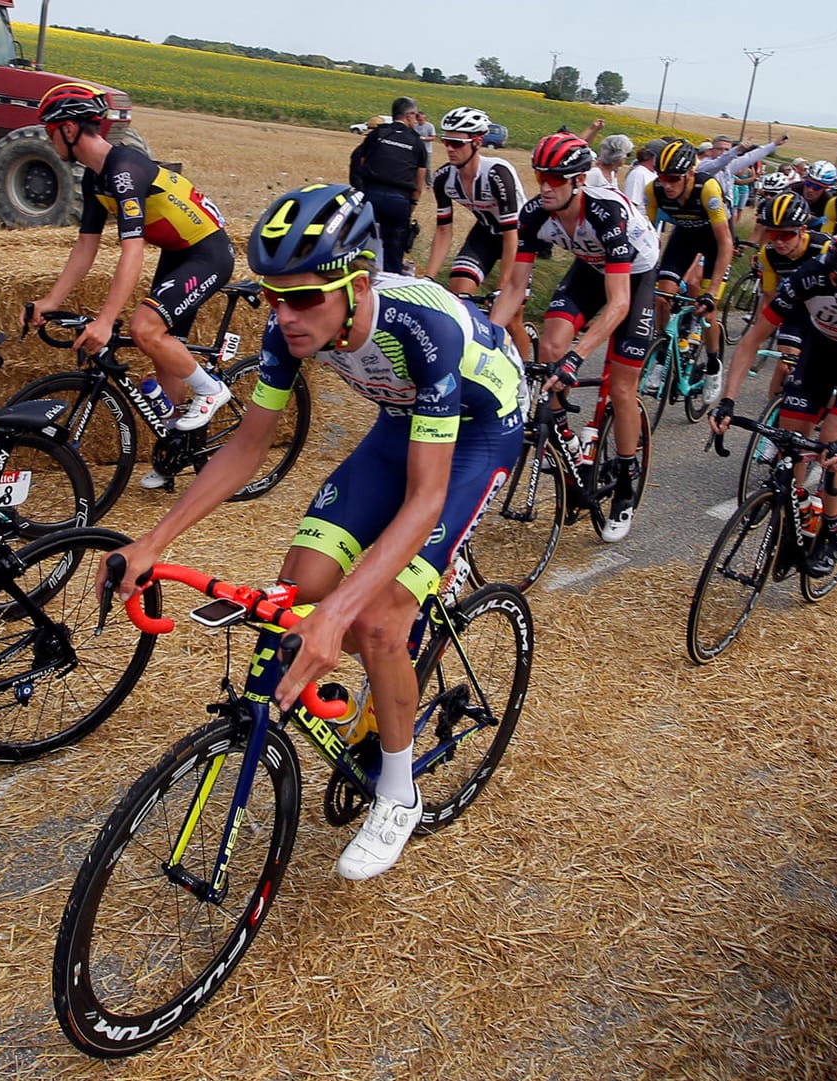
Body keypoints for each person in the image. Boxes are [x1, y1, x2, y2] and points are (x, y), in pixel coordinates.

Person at [107, 184, 524, 880]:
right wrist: (152, 541)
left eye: (304, 298)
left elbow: (425, 497)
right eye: (272, 296)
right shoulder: (287, 329)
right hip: (401, 424)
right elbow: (245, 447)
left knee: (380, 620)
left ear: (356, 287)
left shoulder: (426, 331)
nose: (285, 315)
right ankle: (361, 694)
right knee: (296, 588)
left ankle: (398, 791)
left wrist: (339, 616)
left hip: (482, 432)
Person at [27, 81, 236, 481]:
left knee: (144, 327)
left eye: (49, 131)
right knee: (163, 353)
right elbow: (86, 247)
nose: (48, 139)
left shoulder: (124, 169)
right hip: (178, 254)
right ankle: (175, 451)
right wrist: (50, 299)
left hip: (208, 252)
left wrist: (105, 321)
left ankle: (210, 390)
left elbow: (133, 251)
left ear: (69, 130)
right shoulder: (94, 179)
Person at [490, 133, 660, 542]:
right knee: (549, 345)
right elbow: (514, 289)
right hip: (589, 267)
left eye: (555, 178)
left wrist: (578, 358)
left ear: (578, 180)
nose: (545, 186)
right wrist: (486, 338)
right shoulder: (535, 214)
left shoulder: (606, 213)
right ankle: (563, 435)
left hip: (635, 277)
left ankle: (624, 479)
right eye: (539, 175)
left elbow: (618, 305)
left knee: (621, 386)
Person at [712, 230, 837, 575]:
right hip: (820, 351)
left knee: (834, 440)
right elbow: (751, 341)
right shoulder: (808, 279)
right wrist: (727, 399)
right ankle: (798, 509)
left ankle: (831, 533)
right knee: (791, 438)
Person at [423, 107, 531, 359]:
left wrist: (504, 286)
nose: (449, 148)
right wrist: (428, 277)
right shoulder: (443, 178)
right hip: (484, 233)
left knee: (512, 316)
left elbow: (510, 233)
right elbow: (443, 229)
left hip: (520, 237)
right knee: (459, 292)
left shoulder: (497, 173)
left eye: (456, 143)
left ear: (477, 143)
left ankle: (527, 380)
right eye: (446, 141)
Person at [644, 140, 736, 373]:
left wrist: (712, 291)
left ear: (690, 174)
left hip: (715, 241)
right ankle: (664, 352)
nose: (666, 185)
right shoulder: (653, 190)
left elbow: (726, 243)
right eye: (662, 177)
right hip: (685, 237)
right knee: (662, 295)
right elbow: (647, 236)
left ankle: (714, 364)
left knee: (708, 309)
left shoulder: (707, 189)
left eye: (674, 179)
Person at [750, 192, 832, 399]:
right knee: (785, 365)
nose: (778, 242)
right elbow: (769, 297)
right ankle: (769, 424)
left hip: (829, 312)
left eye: (786, 235)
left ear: (802, 230)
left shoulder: (825, 249)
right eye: (772, 234)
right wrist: (757, 338)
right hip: (796, 310)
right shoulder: (767, 255)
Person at [349, 96, 429, 274]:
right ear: (409, 116)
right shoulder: (417, 142)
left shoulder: (378, 134)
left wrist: (360, 189)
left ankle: (358, 281)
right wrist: (413, 203)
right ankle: (389, 287)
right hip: (399, 200)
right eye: (415, 116)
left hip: (370, 195)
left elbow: (359, 161)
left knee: (360, 247)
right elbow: (420, 179)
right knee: (394, 251)